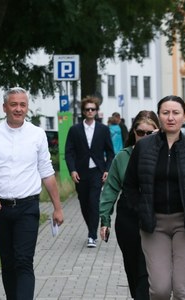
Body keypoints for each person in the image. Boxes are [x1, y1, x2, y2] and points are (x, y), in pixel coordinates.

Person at [122, 95, 185, 300]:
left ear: (184, 116)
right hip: (154, 225)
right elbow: (129, 185)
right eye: (166, 113)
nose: (171, 117)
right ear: (159, 116)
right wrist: (141, 209)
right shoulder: (144, 147)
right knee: (160, 289)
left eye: (176, 113)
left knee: (182, 291)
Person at [0, 87, 64, 300]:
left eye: (22, 105)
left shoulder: (37, 134)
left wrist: (58, 207)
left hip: (27, 207)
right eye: (14, 104)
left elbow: (47, 173)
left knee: (24, 260)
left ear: (27, 108)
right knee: (7, 261)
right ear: (5, 107)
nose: (18, 109)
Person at [99, 110, 159, 300]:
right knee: (134, 267)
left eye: (151, 133)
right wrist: (105, 219)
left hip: (157, 216)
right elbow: (110, 189)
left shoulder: (166, 154)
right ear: (133, 132)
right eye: (141, 132)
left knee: (148, 269)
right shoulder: (123, 157)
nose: (145, 137)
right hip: (128, 217)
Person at [65, 96, 115, 248]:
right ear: (83, 112)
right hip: (81, 172)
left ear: (96, 111)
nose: (90, 111)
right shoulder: (75, 130)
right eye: (87, 109)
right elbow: (69, 152)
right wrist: (72, 170)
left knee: (93, 202)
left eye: (93, 109)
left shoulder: (103, 129)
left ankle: (92, 235)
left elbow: (110, 152)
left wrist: (107, 170)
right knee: (84, 203)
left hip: (96, 171)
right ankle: (91, 228)